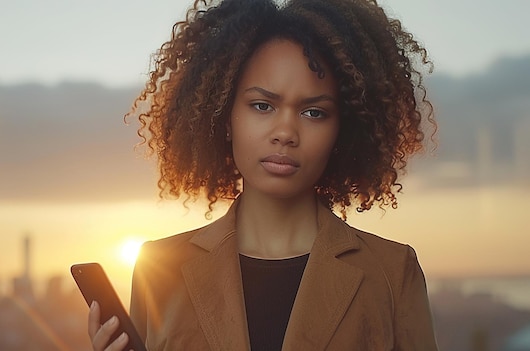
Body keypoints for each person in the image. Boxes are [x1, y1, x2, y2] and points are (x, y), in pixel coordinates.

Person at [88, 0, 439, 349]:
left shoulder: (393, 273)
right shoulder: (158, 269)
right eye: (262, 105)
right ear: (224, 118)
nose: (285, 131)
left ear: (341, 132)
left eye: (314, 112)